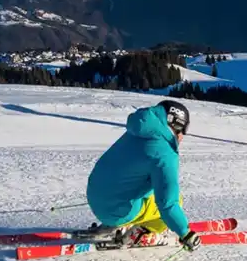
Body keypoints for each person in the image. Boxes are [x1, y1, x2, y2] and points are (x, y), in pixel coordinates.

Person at [84, 99, 200, 251]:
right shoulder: (165, 153)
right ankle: (137, 234)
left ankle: (114, 224)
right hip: (116, 211)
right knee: (176, 201)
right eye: (184, 130)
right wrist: (185, 233)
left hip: (95, 199)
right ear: (177, 126)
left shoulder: (137, 132)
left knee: (147, 187)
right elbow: (167, 204)